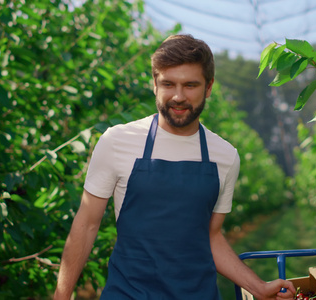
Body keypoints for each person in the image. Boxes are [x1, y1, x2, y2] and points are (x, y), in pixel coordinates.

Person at [53, 34, 295, 300]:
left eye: (191, 85)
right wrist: (61, 296)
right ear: (155, 84)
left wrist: (258, 287)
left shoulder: (225, 156)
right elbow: (86, 224)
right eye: (169, 84)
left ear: (209, 87)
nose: (179, 96)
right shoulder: (117, 141)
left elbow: (212, 237)